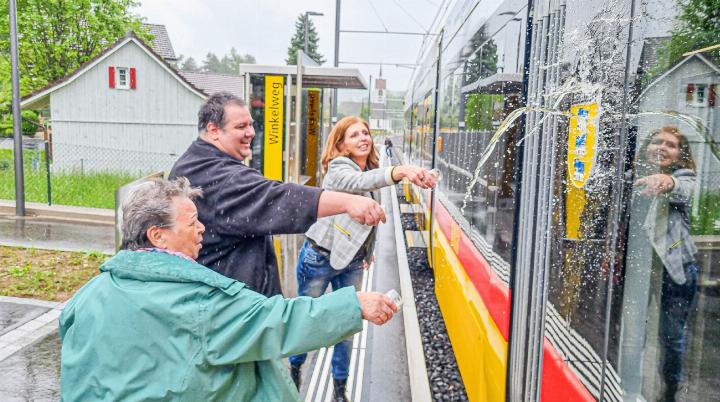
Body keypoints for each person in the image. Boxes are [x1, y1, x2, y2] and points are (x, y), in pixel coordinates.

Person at [59, 178, 398, 402]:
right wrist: (353, 305)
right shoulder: (197, 301)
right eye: (192, 223)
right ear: (157, 236)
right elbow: (275, 322)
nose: (202, 228)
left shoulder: (88, 295)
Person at [170, 92, 385, 297]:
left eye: (251, 125)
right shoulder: (218, 176)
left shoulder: (198, 162)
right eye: (241, 126)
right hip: (231, 303)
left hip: (227, 294)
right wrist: (348, 202)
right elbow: (276, 198)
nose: (251, 132)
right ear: (214, 130)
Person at [288, 116, 436, 401]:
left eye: (365, 133)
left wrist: (367, 252)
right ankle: (294, 370)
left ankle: (340, 389)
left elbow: (371, 217)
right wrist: (400, 170)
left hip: (353, 261)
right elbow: (358, 182)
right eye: (354, 135)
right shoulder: (338, 169)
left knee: (347, 324)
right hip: (318, 258)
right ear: (341, 144)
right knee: (305, 320)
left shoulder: (369, 168)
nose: (363, 138)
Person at [634, 126, 698, 402]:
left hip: (677, 268)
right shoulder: (633, 178)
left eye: (670, 145)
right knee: (632, 335)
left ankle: (669, 394)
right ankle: (627, 385)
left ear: (679, 154)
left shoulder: (686, 177)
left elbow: (681, 189)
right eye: (656, 142)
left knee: (672, 339)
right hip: (639, 271)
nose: (662, 147)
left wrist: (664, 181)